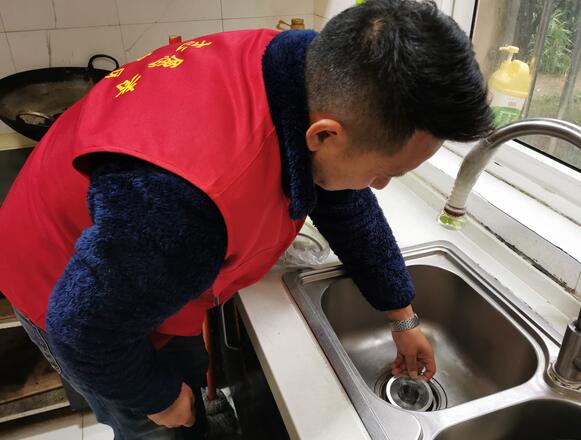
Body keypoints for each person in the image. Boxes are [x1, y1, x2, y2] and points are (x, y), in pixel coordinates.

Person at [0, 0, 492, 438]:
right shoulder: (184, 206)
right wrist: (159, 399)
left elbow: (342, 198)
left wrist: (401, 314)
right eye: (386, 173)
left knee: (182, 371)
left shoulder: (301, 71)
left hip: (116, 245)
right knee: (147, 422)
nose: (380, 186)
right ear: (325, 136)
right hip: (56, 275)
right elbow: (83, 331)